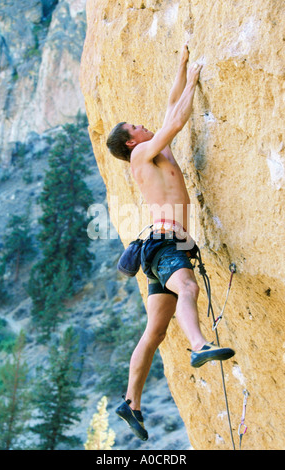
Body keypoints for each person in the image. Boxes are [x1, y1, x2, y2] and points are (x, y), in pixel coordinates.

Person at [106, 42, 235, 441]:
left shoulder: (151, 152)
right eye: (137, 127)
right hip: (166, 243)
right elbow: (175, 120)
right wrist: (195, 82)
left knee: (155, 332)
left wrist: (181, 65)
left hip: (159, 245)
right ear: (131, 142)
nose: (144, 126)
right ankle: (198, 344)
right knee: (188, 286)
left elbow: (169, 105)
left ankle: (131, 402)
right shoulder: (146, 151)